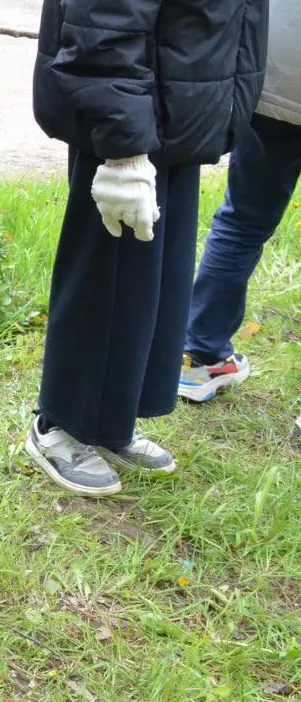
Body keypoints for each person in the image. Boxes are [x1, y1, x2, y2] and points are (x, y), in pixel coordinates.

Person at [24, 0, 268, 497]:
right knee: (105, 273)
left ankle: (111, 422)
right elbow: (104, 21)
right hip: (131, 115)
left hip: (176, 109)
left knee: (153, 282)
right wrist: (124, 147)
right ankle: (59, 425)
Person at [179, 0, 297, 406]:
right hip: (272, 76)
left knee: (242, 220)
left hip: (274, 75)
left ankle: (201, 357)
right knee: (242, 221)